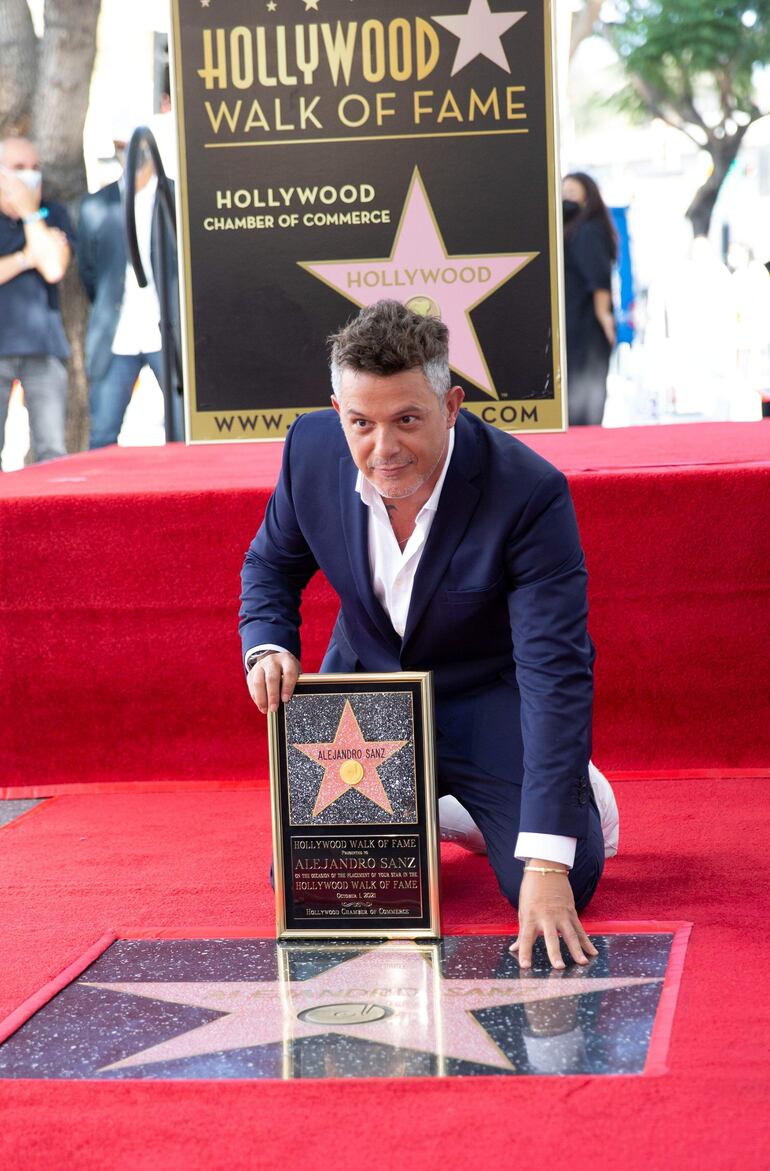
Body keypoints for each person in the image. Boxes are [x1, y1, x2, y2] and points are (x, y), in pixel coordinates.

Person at [240, 300, 617, 971]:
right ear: (337, 412)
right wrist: (267, 644)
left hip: (487, 693)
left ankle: (566, 789)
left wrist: (546, 864)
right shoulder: (310, 452)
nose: (382, 449)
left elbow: (554, 670)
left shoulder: (529, 493)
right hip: (372, 691)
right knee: (312, 886)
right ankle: (424, 802)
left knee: (566, 877)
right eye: (361, 422)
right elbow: (271, 563)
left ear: (451, 405)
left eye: (406, 419)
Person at [76, 116, 181, 449]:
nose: (132, 156)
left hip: (168, 332)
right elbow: (89, 270)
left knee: (181, 432)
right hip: (117, 334)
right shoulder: (96, 204)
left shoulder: (176, 197)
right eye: (123, 149)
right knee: (104, 433)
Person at [0, 136, 73, 466]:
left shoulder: (52, 213)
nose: (29, 175)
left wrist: (31, 214)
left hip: (43, 349)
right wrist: (30, 256)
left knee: (52, 453)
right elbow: (42, 257)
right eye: (18, 168)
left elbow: (54, 267)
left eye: (34, 168)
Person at [562, 172, 617, 426]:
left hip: (586, 326)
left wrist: (604, 316)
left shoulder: (588, 231)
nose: (566, 198)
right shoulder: (572, 230)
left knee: (586, 397)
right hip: (573, 324)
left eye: (573, 192)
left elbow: (599, 279)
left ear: (588, 197)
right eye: (563, 193)